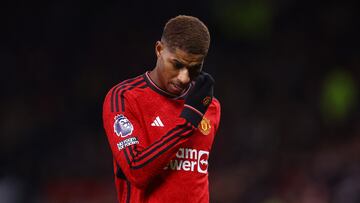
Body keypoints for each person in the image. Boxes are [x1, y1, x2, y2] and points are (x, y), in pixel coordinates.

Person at [102, 15, 221, 203]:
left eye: (194, 68)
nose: (184, 77)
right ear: (159, 50)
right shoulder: (125, 97)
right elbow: (136, 171)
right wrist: (188, 123)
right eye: (177, 64)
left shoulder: (210, 105)